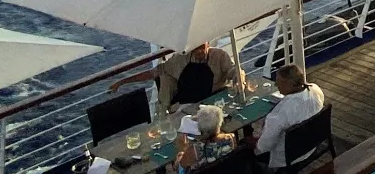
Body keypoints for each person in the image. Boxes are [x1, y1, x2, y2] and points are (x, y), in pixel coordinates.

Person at [109, 42, 244, 109]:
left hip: (215, 101)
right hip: (189, 105)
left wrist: (239, 81)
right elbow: (153, 73)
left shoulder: (219, 56)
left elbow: (235, 71)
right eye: (196, 48)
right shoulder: (179, 59)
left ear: (208, 43)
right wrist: (122, 82)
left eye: (202, 47)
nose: (200, 51)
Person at [254, 64, 328, 172]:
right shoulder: (315, 90)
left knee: (246, 153)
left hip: (289, 157)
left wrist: (253, 146)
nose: (276, 84)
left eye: (278, 82)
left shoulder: (279, 113)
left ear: (290, 84)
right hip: (311, 144)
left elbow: (263, 147)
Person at [175, 105, 236, 172]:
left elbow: (178, 169)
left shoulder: (194, 150)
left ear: (199, 127)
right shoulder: (230, 138)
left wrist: (182, 150)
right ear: (220, 124)